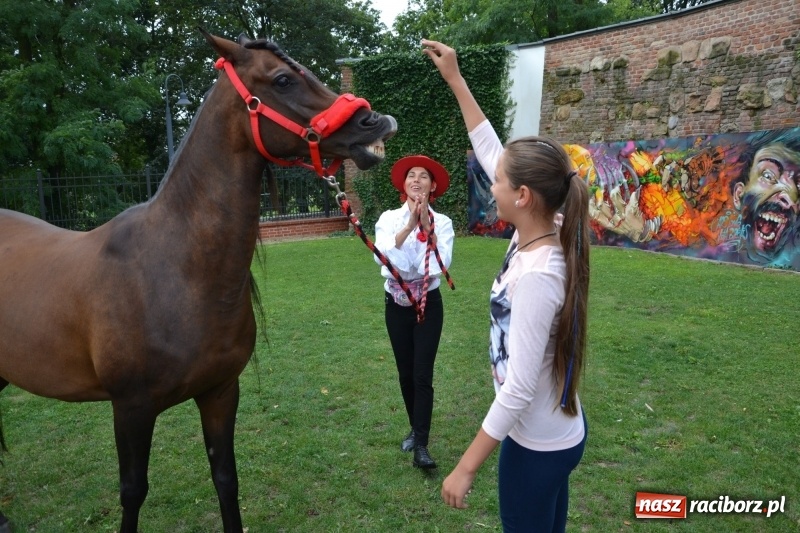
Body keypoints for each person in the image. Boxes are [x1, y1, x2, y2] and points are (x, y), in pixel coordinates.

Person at [423, 39, 590, 532]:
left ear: (521, 195)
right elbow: (492, 148)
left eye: (496, 182)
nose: (489, 184)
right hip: (553, 433)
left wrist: (465, 466)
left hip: (537, 443)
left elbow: (517, 389)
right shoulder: (542, 227)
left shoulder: (538, 273)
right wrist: (455, 78)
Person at [374, 155, 455, 469]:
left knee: (422, 374)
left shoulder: (443, 223)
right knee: (405, 374)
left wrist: (427, 230)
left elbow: (439, 265)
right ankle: (414, 426)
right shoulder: (388, 219)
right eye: (412, 175)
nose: (417, 180)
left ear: (432, 186)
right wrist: (409, 228)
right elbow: (384, 259)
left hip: (428, 306)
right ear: (404, 184)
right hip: (395, 305)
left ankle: (421, 443)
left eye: (424, 176)